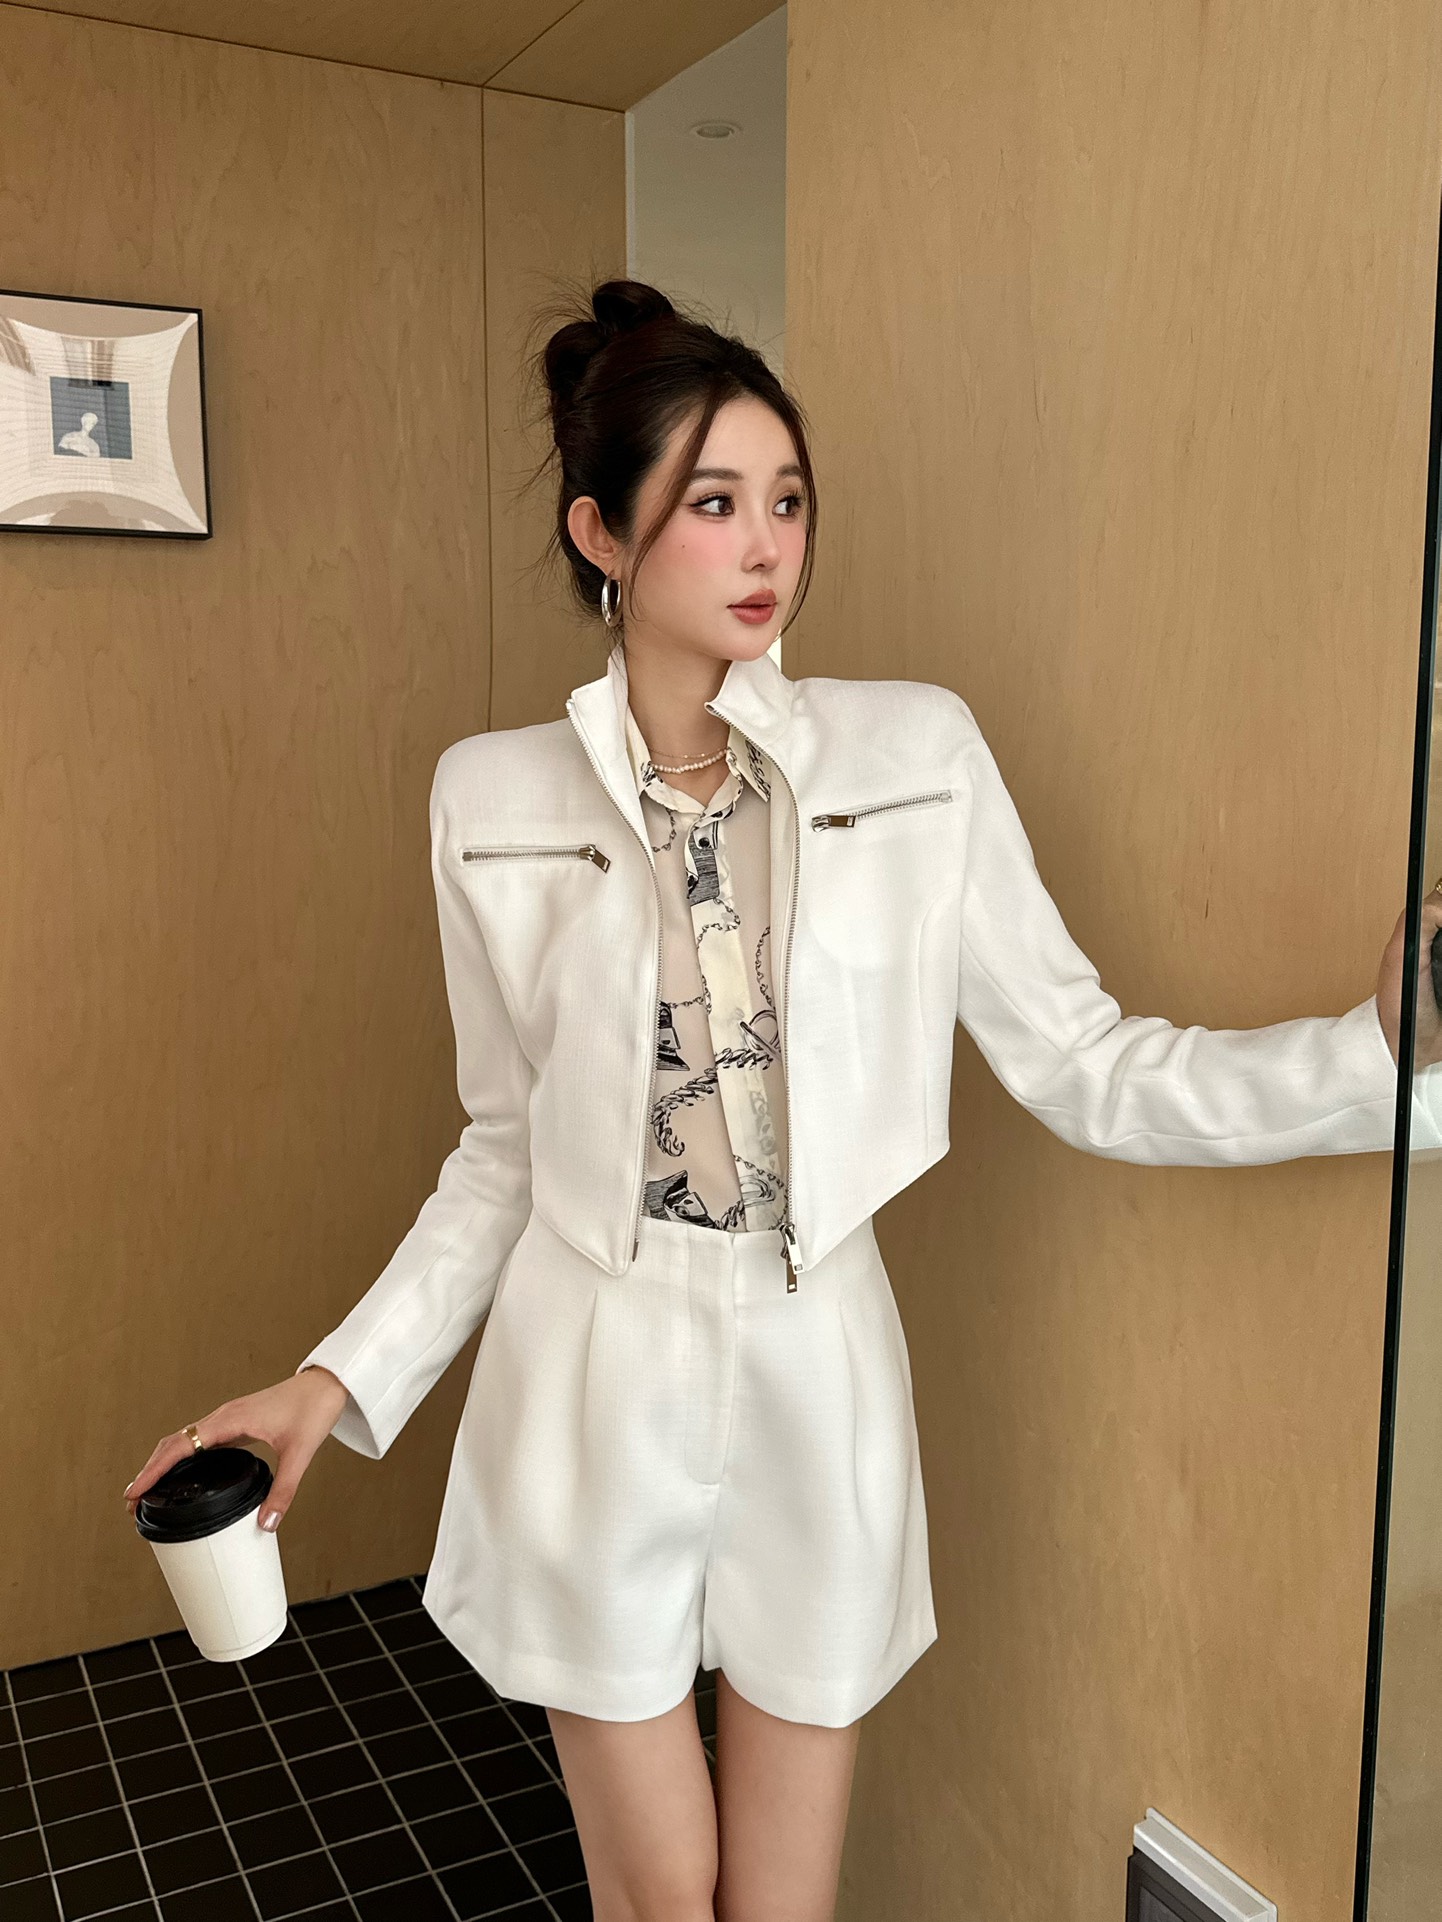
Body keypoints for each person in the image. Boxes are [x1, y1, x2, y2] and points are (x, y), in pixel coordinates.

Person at [123, 278, 1442, 1922]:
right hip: (589, 1380)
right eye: (712, 504)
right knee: (663, 1904)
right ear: (601, 534)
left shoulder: (915, 759)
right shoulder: (488, 797)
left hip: (821, 1376)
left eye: (789, 499)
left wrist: (1379, 1057)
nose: (765, 547)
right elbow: (503, 1151)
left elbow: (1088, 1064)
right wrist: (333, 1382)